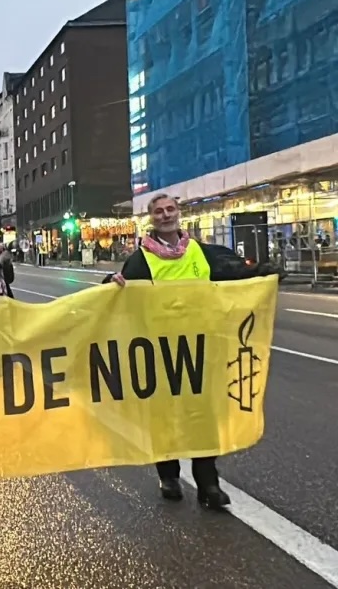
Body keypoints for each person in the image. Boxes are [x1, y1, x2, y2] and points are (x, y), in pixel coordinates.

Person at [106, 193, 281, 510]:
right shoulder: (141, 259)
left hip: (202, 350)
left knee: (203, 417)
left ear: (179, 213)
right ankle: (169, 476)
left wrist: (262, 274)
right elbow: (118, 292)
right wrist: (112, 281)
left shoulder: (201, 252)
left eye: (170, 209)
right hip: (161, 352)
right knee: (165, 417)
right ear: (151, 218)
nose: (165, 215)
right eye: (158, 211)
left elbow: (231, 275)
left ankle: (208, 484)